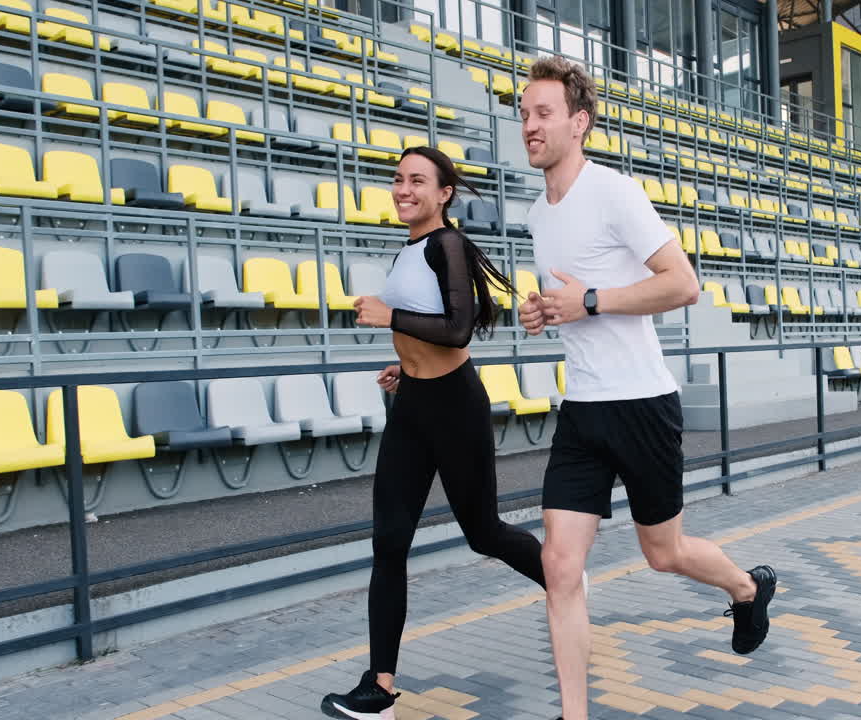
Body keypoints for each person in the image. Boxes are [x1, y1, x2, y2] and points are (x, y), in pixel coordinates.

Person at [517, 57, 778, 720]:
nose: (529, 124)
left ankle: (747, 589)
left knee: (663, 555)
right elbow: (574, 303)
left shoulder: (615, 193)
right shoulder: (535, 215)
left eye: (542, 112)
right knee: (560, 565)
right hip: (582, 410)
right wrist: (548, 311)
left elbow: (682, 284)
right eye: (523, 112)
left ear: (579, 122)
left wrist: (592, 301)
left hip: (641, 405)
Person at [321, 146, 548, 720]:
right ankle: (378, 688)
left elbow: (458, 326)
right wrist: (407, 362)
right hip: (415, 403)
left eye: (417, 180)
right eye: (398, 179)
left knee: (484, 534)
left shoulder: (446, 243)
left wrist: (388, 318)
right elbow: (430, 331)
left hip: (454, 405)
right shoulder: (410, 249)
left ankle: (564, 580)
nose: (403, 189)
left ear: (443, 193)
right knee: (389, 541)